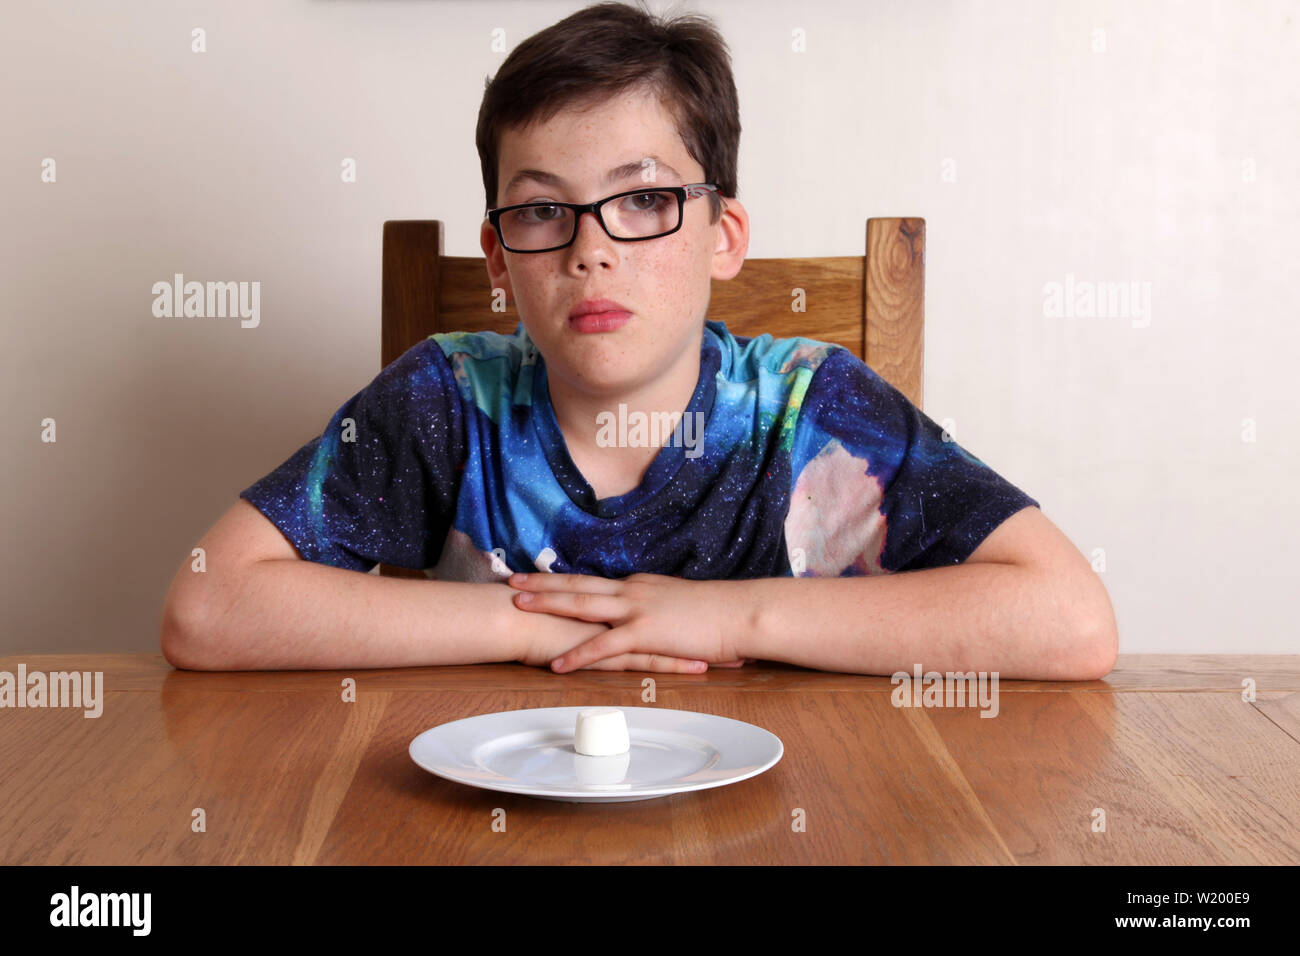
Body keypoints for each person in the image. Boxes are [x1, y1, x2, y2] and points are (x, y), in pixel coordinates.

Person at [161, 1, 1117, 679]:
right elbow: (207, 609)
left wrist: (728, 616)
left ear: (723, 235)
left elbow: (1070, 622)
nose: (591, 252)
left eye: (646, 199)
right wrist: (536, 628)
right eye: (542, 212)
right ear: (499, 257)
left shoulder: (809, 405)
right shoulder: (449, 400)